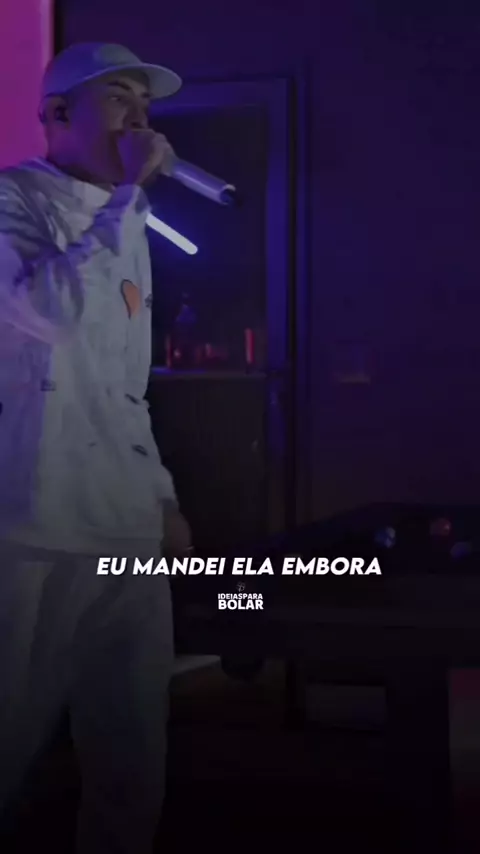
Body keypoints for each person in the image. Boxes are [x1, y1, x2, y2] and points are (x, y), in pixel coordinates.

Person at [0, 42, 192, 853]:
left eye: (145, 106)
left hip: (126, 527)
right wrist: (127, 199)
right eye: (119, 100)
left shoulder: (127, 218)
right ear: (56, 114)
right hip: (37, 524)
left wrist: (162, 495)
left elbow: (123, 381)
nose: (138, 121)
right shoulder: (13, 200)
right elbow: (57, 319)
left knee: (133, 758)